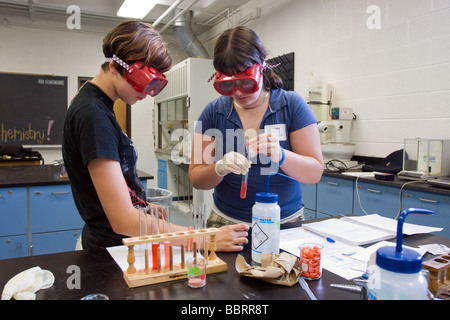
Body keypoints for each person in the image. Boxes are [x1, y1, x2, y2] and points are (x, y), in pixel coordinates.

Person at [63, 20, 247, 252]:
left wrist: (139, 204)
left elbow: (106, 192)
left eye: (155, 85)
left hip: (116, 241)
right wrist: (205, 238)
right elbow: (122, 220)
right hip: (111, 250)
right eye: (143, 82)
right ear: (114, 67)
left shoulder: (95, 103)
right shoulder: (92, 114)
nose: (147, 94)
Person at [189, 26, 324, 229]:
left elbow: (314, 173)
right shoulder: (213, 112)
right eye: (228, 85)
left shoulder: (291, 105)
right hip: (227, 223)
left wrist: (282, 155)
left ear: (261, 67)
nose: (238, 92)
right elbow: (197, 179)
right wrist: (219, 168)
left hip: (283, 222)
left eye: (245, 83)